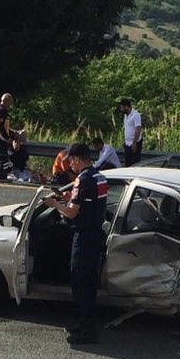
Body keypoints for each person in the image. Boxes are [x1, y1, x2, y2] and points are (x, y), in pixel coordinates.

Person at [44, 143, 107, 345]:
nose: (70, 164)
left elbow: (72, 212)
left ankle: (86, 330)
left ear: (78, 159)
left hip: (85, 236)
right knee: (87, 283)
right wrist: (68, 197)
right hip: (96, 234)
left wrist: (56, 204)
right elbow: (90, 202)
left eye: (71, 160)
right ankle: (82, 323)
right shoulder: (99, 176)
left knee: (80, 282)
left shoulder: (84, 179)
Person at [117, 97, 143, 166]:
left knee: (134, 164)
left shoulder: (135, 115)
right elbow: (127, 128)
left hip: (134, 143)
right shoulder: (125, 116)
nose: (121, 109)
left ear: (126, 107)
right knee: (128, 163)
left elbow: (138, 129)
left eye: (122, 107)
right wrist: (125, 140)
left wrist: (134, 143)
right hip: (127, 143)